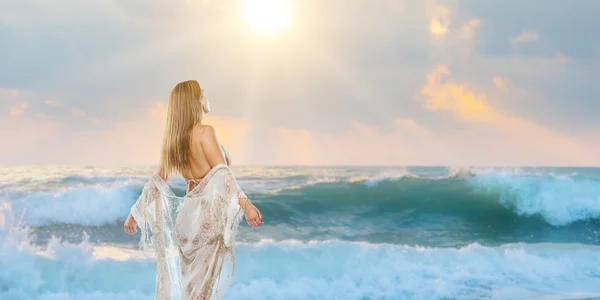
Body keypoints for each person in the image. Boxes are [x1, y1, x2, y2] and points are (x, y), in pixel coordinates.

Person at [123, 80, 263, 299]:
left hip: (187, 220)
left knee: (190, 290)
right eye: (203, 94)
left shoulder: (173, 140)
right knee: (202, 293)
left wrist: (135, 212)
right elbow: (223, 175)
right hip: (206, 218)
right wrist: (246, 205)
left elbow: (157, 181)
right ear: (195, 101)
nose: (207, 98)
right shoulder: (205, 132)